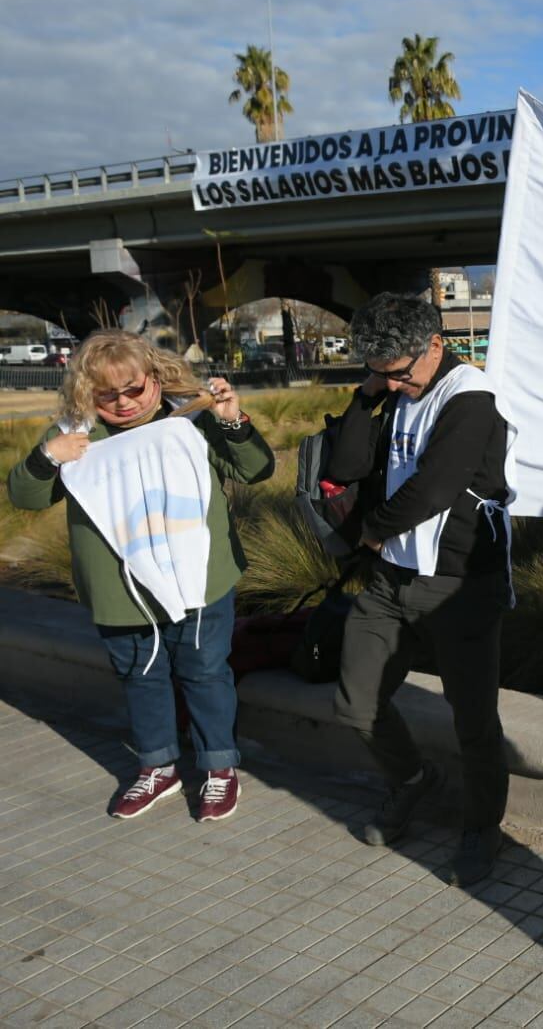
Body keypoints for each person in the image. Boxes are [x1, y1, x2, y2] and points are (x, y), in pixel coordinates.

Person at [6, 330, 273, 821]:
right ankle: (158, 767)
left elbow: (255, 469)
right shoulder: (76, 432)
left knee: (205, 672)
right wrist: (49, 457)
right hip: (120, 590)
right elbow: (25, 496)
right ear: (88, 391)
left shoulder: (188, 418)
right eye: (108, 394)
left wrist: (232, 421)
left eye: (134, 389)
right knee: (140, 676)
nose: (124, 403)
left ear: (154, 377)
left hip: (200, 577)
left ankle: (218, 768)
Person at [326, 292, 517, 888]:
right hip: (390, 581)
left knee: (474, 721)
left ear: (435, 345)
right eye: (381, 373)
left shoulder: (471, 399)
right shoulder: (397, 387)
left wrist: (371, 534)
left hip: (458, 582)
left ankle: (483, 827)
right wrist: (365, 396)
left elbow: (436, 488)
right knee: (356, 703)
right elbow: (348, 463)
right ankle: (410, 780)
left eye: (400, 373)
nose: (395, 384)